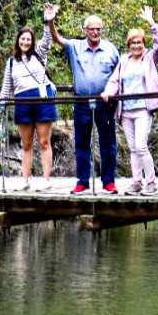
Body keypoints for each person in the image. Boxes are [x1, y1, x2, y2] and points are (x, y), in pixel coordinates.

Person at [48, 11, 120, 194]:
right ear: (85, 30)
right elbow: (57, 38)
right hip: (82, 102)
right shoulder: (75, 46)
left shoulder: (111, 49)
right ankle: (82, 181)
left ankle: (109, 181)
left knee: (108, 142)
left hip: (105, 103)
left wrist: (113, 94)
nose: (95, 32)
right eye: (92, 29)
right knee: (82, 143)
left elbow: (119, 75)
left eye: (98, 29)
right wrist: (50, 21)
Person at [101, 7, 158, 195]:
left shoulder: (150, 58)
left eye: (139, 42)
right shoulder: (124, 60)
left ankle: (151, 183)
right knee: (132, 149)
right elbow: (115, 80)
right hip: (126, 110)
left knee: (141, 146)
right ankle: (136, 182)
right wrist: (107, 91)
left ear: (143, 43)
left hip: (143, 109)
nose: (136, 46)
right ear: (128, 44)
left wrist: (151, 22)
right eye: (133, 43)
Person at [0, 5, 58, 190]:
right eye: (22, 39)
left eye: (28, 39)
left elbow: (48, 39)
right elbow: (7, 87)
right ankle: (25, 180)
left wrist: (48, 20)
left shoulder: (39, 53)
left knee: (44, 141)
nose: (25, 42)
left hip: (42, 99)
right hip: (22, 101)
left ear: (32, 41)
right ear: (18, 41)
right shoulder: (11, 62)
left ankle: (46, 180)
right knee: (26, 144)